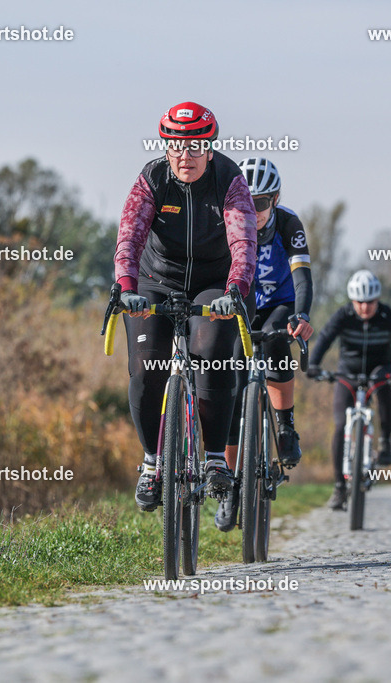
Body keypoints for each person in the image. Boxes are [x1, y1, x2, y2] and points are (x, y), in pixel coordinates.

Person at [114, 102, 258, 512]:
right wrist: (127, 287)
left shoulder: (229, 180)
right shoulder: (152, 178)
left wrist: (235, 288)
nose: (185, 156)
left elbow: (244, 244)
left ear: (210, 149)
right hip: (155, 280)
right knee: (146, 364)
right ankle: (151, 461)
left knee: (212, 355)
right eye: (175, 146)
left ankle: (214, 458)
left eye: (195, 147)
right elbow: (130, 235)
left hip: (217, 283)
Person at [215, 157, 314, 532]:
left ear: (274, 200)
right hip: (238, 305)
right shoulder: (226, 222)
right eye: (245, 202)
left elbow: (303, 278)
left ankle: (285, 425)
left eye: (259, 204)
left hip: (278, 304)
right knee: (231, 390)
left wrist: (301, 316)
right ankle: (227, 486)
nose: (251, 211)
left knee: (277, 340)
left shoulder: (289, 224)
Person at [306, 270, 391, 510]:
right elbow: (325, 337)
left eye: (370, 302)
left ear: (377, 300)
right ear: (352, 300)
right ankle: (339, 487)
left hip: (379, 367)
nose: (365, 307)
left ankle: (386, 442)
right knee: (339, 424)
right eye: (360, 302)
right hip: (348, 370)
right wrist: (313, 365)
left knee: (384, 385)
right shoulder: (343, 315)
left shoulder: (388, 315)